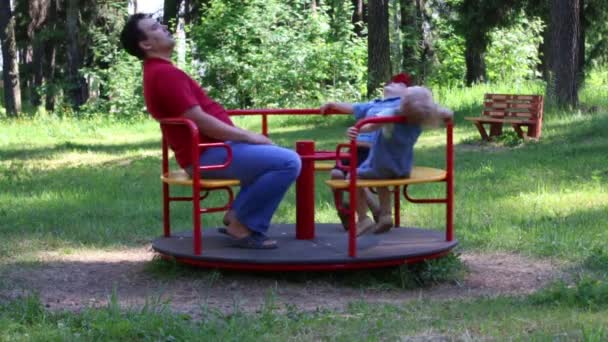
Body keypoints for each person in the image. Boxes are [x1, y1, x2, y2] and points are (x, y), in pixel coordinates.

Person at [120, 14, 301, 249]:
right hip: (205, 155)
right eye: (155, 27)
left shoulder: (160, 71)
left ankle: (238, 216)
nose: (163, 27)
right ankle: (242, 225)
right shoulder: (164, 75)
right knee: (288, 162)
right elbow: (199, 120)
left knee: (273, 157)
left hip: (212, 149)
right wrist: (248, 136)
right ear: (146, 44)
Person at [346, 85, 453, 236]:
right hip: (403, 169)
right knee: (382, 181)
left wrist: (356, 129)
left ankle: (363, 219)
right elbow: (447, 113)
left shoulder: (391, 114)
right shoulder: (423, 117)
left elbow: (369, 126)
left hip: (380, 166)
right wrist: (447, 116)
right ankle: (386, 216)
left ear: (403, 103)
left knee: (351, 177)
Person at [320, 73, 413, 231]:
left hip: (376, 148)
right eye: (390, 81)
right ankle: (344, 210)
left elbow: (417, 112)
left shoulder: (402, 105)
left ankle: (374, 213)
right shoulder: (373, 104)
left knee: (356, 176)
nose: (390, 83)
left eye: (398, 83)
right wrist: (331, 103)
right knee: (336, 175)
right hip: (355, 147)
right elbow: (352, 107)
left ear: (406, 91)